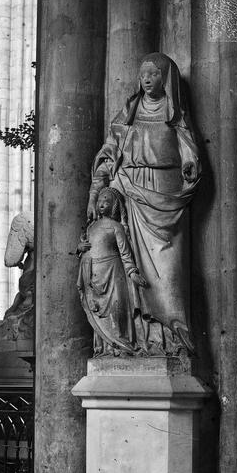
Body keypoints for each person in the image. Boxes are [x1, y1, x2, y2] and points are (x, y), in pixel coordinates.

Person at [86, 52, 201, 355]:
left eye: (154, 73)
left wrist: (190, 163)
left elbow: (187, 144)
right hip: (127, 187)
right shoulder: (130, 110)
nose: (147, 79)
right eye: (143, 74)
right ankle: (142, 339)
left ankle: (174, 338)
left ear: (167, 78)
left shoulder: (175, 113)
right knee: (129, 267)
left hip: (164, 192)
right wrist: (97, 187)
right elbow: (110, 150)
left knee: (167, 273)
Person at [77, 187, 147, 356]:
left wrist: (132, 272)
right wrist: (80, 248)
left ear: (114, 205)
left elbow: (125, 253)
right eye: (100, 200)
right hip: (92, 275)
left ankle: (120, 347)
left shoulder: (117, 227)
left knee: (117, 310)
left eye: (107, 201)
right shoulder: (91, 227)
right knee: (98, 314)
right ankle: (105, 349)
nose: (102, 204)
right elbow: (84, 248)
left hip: (113, 273)